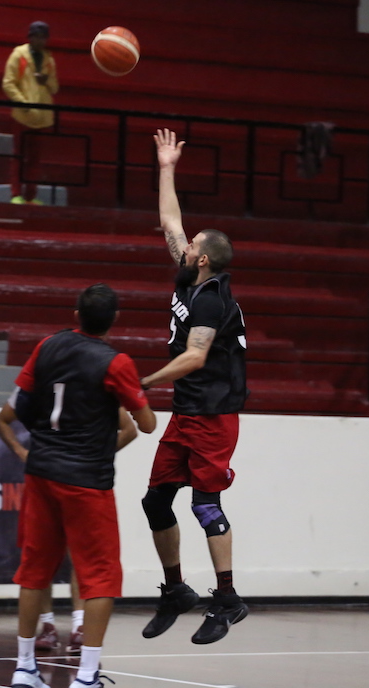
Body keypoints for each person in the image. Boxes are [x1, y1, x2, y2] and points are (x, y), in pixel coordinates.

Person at [0, 283, 155, 688]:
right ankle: (86, 678)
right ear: (115, 319)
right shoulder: (116, 362)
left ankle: (24, 667)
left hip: (42, 471)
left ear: (76, 313)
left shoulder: (46, 346)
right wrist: (140, 389)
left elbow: (21, 402)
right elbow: (148, 424)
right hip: (86, 480)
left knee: (34, 570)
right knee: (101, 576)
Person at [138, 129, 249, 646]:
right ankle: (177, 590)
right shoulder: (191, 277)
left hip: (214, 414)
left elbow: (196, 356)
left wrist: (144, 382)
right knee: (156, 502)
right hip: (187, 413)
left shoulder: (213, 302)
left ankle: (227, 599)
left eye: (191, 248)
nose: (182, 247)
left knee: (205, 506)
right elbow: (169, 221)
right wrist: (167, 166)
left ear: (202, 259)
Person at [0, 404, 140, 655]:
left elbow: (134, 429)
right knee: (39, 559)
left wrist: (97, 454)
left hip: (80, 480)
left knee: (79, 556)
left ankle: (78, 626)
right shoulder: (43, 381)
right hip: (45, 478)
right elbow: (2, 420)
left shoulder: (99, 385)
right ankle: (47, 627)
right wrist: (20, 451)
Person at [2, 20, 58, 205]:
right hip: (23, 116)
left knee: (35, 160)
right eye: (37, 36)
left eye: (43, 37)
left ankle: (31, 196)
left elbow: (55, 87)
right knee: (18, 156)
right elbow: (8, 83)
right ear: (30, 37)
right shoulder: (19, 55)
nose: (40, 41)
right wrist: (22, 102)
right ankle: (16, 194)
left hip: (42, 117)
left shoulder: (49, 59)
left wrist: (46, 80)